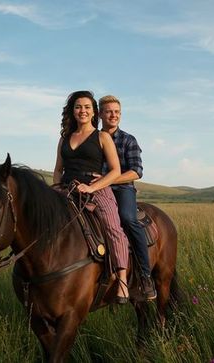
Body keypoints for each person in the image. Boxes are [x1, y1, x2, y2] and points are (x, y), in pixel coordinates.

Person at [53, 90, 130, 304]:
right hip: (67, 188)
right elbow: (58, 170)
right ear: (73, 111)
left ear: (94, 112)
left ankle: (122, 278)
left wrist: (92, 188)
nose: (83, 111)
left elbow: (115, 171)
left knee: (112, 226)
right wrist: (57, 188)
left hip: (96, 188)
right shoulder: (64, 139)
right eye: (78, 107)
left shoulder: (102, 137)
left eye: (87, 107)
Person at [97, 95, 157, 300]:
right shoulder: (93, 139)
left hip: (122, 189)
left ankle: (145, 275)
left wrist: (110, 180)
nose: (113, 115)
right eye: (108, 111)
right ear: (100, 114)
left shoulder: (128, 140)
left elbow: (136, 171)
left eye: (117, 112)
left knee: (128, 219)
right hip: (96, 189)